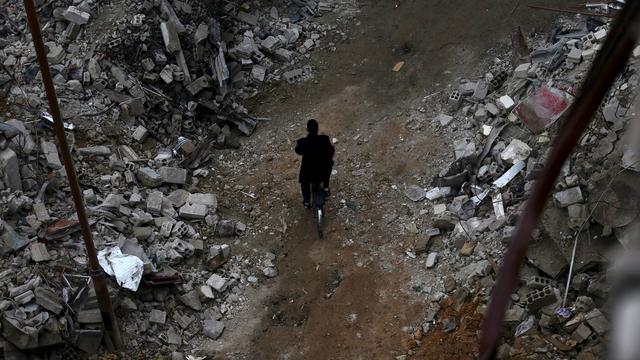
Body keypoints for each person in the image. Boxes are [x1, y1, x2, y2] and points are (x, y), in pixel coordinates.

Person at [295, 119, 335, 208]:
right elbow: (331, 151)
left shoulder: (302, 142)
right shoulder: (324, 139)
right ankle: (325, 187)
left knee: (304, 180)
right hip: (322, 171)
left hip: (308, 173)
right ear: (317, 129)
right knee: (329, 164)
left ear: (307, 130)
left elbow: (298, 151)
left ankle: (306, 202)